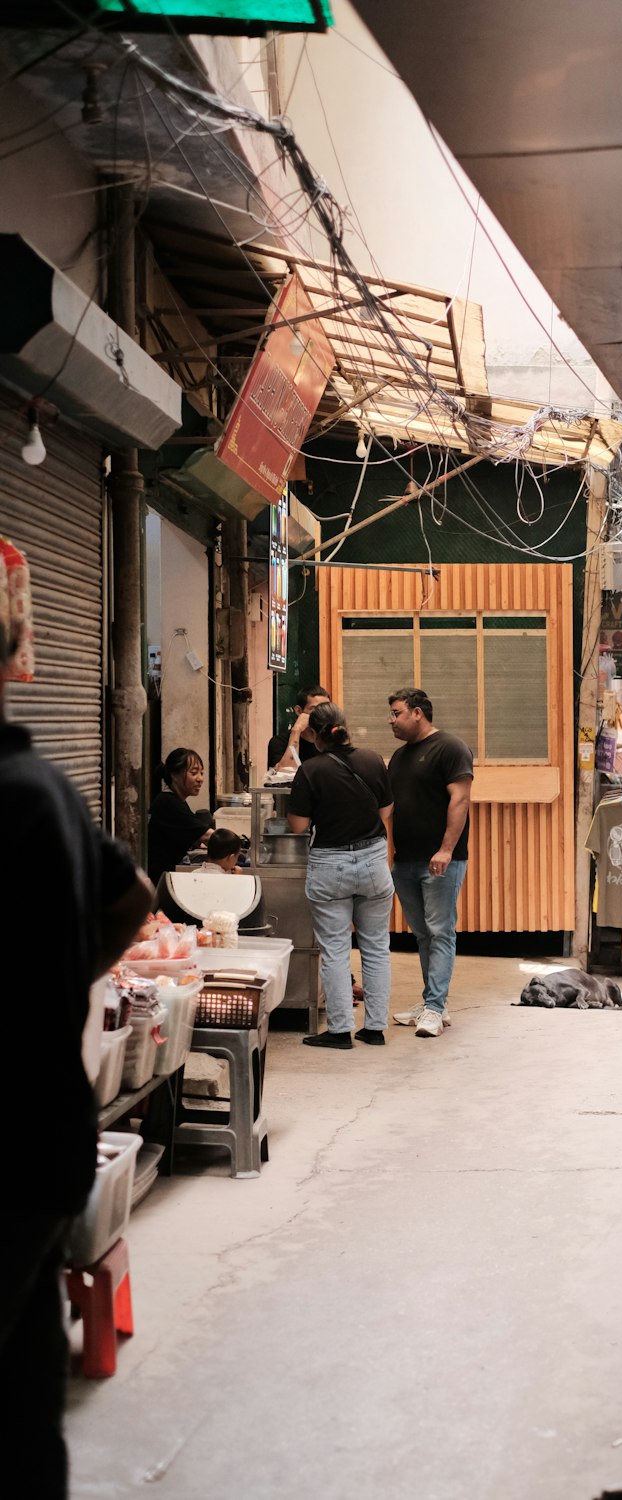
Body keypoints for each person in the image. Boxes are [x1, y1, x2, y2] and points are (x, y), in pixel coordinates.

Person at [0, 619, 152, 1498]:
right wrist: (65, 983)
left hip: (6, 1144)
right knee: (21, 1394)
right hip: (39, 1138)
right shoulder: (42, 788)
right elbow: (130, 895)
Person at [287, 701, 393, 1048]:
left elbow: (299, 825)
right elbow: (385, 810)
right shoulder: (373, 760)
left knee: (334, 949)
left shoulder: (311, 770)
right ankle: (375, 1028)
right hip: (374, 861)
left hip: (330, 865)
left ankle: (339, 1030)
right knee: (376, 947)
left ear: (315, 735)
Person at [386, 688, 473, 1039]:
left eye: (396, 713)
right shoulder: (399, 756)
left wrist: (446, 849)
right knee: (423, 933)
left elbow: (461, 798)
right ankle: (433, 1001)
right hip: (405, 860)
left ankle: (435, 1008)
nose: (391, 720)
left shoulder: (450, 748)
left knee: (440, 931)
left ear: (418, 712)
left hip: (440, 861)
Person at [147, 748, 214, 884]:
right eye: (194, 773)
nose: (200, 779)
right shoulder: (168, 804)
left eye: (201, 773)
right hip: (157, 881)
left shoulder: (175, 800)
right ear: (174, 775)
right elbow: (208, 836)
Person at [267, 683, 331, 773]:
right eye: (315, 709)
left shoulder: (330, 743)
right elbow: (285, 775)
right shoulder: (279, 742)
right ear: (299, 711)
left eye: (325, 709)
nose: (322, 714)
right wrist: (296, 731)